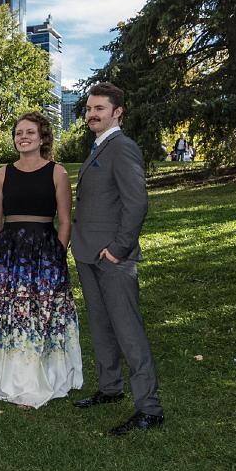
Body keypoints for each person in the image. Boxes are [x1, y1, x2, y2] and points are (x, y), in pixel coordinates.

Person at [0, 112, 83, 409]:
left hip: (44, 251)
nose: (23, 137)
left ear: (42, 137)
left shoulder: (57, 172)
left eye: (30, 132)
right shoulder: (2, 173)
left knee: (40, 312)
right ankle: (5, 375)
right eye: (19, 133)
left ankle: (38, 377)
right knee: (6, 311)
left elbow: (65, 220)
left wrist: (57, 254)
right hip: (7, 252)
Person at [72, 82, 164, 435]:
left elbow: (136, 202)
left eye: (99, 109)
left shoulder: (123, 147)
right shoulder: (99, 146)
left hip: (112, 257)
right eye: (89, 109)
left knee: (128, 331)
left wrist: (119, 249)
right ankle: (110, 388)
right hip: (88, 253)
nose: (92, 114)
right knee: (101, 326)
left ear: (117, 112)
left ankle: (150, 409)